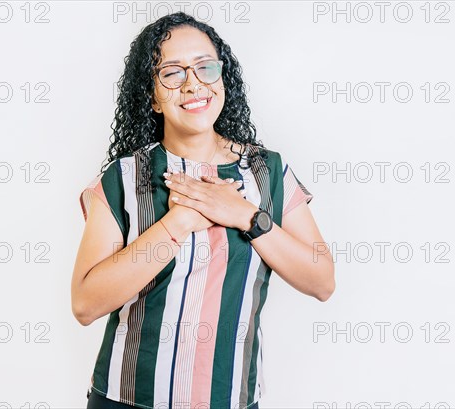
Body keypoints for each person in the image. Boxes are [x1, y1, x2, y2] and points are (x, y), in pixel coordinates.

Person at [72, 11, 335, 409]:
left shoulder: (269, 172)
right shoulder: (124, 178)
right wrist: (176, 223)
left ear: (222, 77)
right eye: (172, 73)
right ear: (152, 96)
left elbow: (322, 281)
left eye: (205, 67)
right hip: (126, 400)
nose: (193, 83)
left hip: (231, 400)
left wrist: (246, 216)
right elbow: (85, 304)